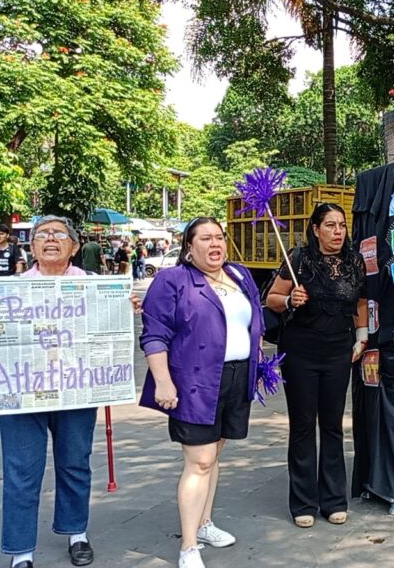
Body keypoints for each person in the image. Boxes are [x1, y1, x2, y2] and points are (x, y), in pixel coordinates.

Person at [0, 215, 142, 568]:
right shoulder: (8, 289)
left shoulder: (95, 286)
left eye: (59, 234)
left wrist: (125, 308)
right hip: (23, 392)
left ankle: (76, 532)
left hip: (76, 389)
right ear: (32, 246)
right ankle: (21, 551)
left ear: (75, 246)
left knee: (75, 463)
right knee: (21, 470)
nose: (50, 239)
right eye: (42, 234)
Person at [139, 217, 264, 568]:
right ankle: (189, 545)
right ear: (189, 247)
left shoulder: (240, 275)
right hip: (195, 381)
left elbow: (255, 320)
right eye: (205, 238)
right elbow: (154, 334)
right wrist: (163, 381)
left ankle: (204, 522)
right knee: (200, 460)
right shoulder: (172, 280)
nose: (215, 244)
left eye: (219, 237)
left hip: (236, 377)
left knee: (215, 453)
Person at [265, 203, 368, 529]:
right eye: (330, 225)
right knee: (303, 425)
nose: (338, 232)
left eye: (341, 225)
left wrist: (362, 336)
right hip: (300, 352)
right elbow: (272, 298)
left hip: (339, 350)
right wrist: (289, 299)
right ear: (315, 229)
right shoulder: (298, 259)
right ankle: (303, 502)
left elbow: (360, 301)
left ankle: (334, 500)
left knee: (333, 425)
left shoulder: (354, 261)